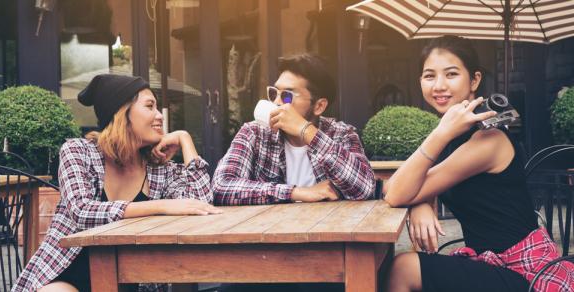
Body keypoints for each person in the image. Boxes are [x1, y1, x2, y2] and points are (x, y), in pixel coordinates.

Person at [384, 35, 573, 292]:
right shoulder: (454, 134)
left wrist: (439, 135)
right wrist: (421, 203)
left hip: (523, 272)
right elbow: (398, 187)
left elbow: (397, 192)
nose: (438, 85)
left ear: (474, 80)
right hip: (489, 263)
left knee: (403, 268)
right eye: (429, 76)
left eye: (451, 74)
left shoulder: (487, 139)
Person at [13, 74, 221, 292]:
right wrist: (162, 206)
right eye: (150, 106)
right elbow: (81, 210)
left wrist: (185, 139)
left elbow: (201, 204)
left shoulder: (159, 170)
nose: (160, 116)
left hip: (133, 282)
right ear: (122, 113)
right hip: (66, 274)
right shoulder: (79, 152)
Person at [212, 53, 376, 206]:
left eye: (287, 96)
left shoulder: (341, 134)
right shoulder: (254, 133)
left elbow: (366, 188)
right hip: (271, 232)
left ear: (319, 106)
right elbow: (221, 186)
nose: (276, 102)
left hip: (327, 232)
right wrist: (296, 193)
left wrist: (306, 130)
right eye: (274, 93)